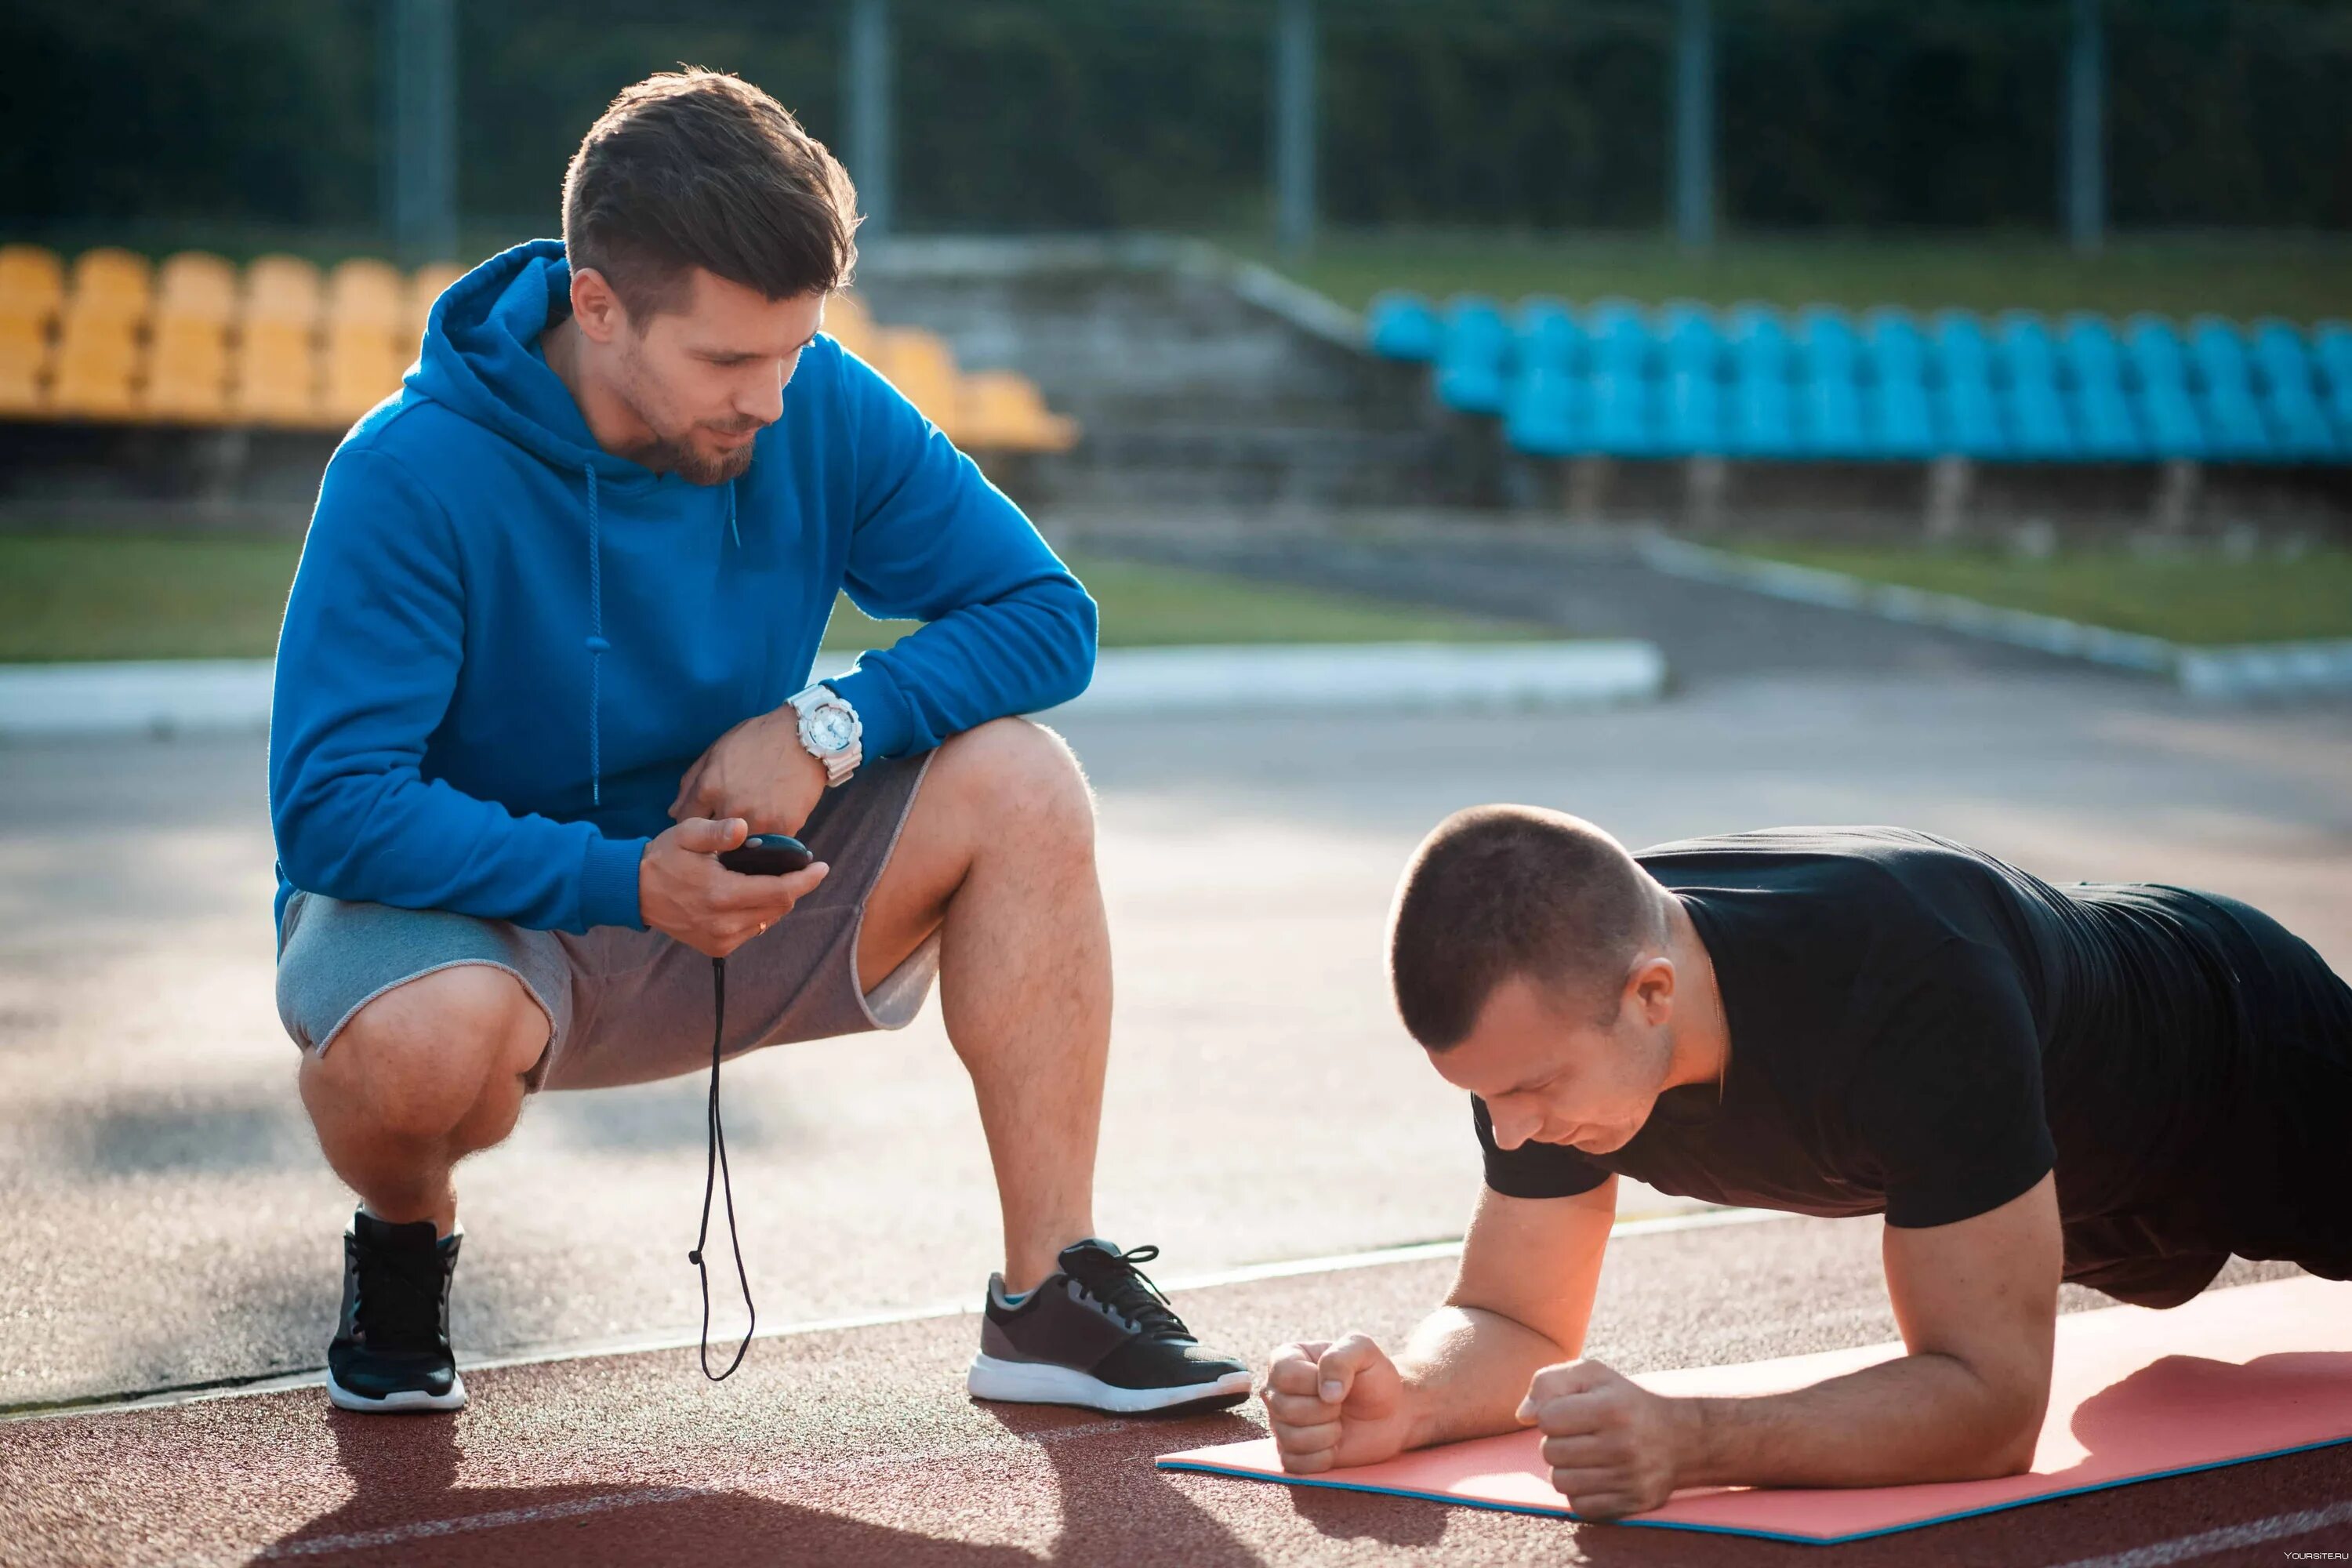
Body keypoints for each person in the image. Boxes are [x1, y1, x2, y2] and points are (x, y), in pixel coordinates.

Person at [270, 69, 1248, 1417]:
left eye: (791, 350)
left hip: (732, 901)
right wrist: (620, 882)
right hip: (479, 926)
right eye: (729, 361)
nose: (772, 400)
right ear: (598, 306)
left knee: (1022, 780)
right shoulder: (409, 472)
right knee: (426, 1052)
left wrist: (827, 723)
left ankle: (1049, 1296)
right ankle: (403, 1234)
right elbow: (330, 811)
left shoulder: (820, 406)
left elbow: (1046, 617)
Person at [1262, 808, 2350, 1519]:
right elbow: (1517, 1319)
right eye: (1481, 1096)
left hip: (2242, 1061)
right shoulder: (1543, 1037)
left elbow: (1991, 1404)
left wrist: (1690, 1441)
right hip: (2077, 1186)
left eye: (1532, 1089)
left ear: (1653, 995)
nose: (1508, 1132)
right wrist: (1411, 1397)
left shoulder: (1914, 987)